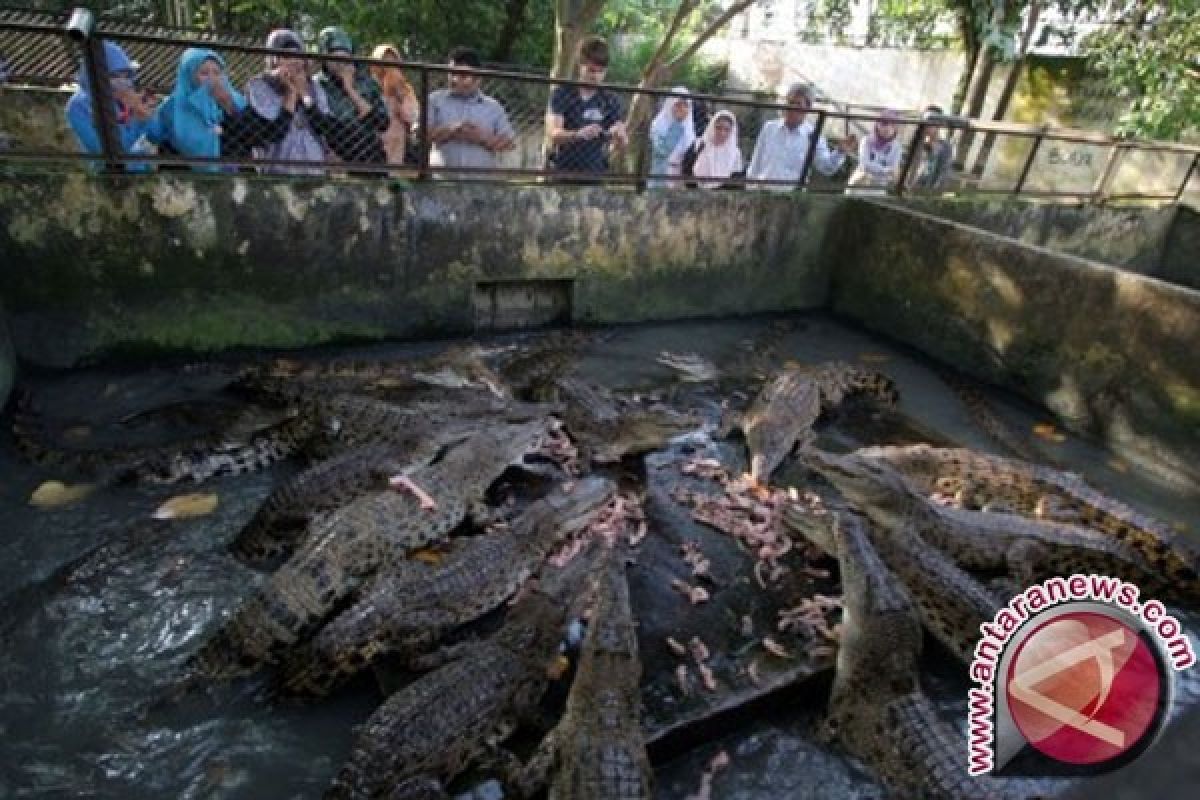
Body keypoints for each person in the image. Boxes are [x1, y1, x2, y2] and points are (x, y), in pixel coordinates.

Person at [232, 28, 333, 175]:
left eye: (298, 56)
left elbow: (325, 127)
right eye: (286, 56)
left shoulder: (315, 87)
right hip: (277, 169)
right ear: (274, 60)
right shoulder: (258, 85)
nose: (294, 61)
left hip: (314, 168)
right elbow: (274, 131)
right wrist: (291, 93)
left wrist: (304, 94)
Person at [149, 47, 247, 172]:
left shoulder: (233, 100)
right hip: (180, 175)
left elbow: (248, 134)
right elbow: (154, 136)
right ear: (189, 76)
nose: (212, 79)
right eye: (204, 73)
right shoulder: (172, 106)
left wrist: (228, 105)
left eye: (217, 73)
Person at [64, 40, 157, 171]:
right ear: (97, 75)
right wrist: (137, 120)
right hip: (106, 179)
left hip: (140, 173)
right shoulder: (78, 106)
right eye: (115, 75)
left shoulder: (123, 99)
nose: (123, 82)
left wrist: (148, 113)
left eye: (126, 75)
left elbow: (156, 134)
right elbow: (110, 152)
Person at [746, 83, 855, 191]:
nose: (792, 107)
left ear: (808, 108)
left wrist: (840, 152)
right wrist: (749, 188)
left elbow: (826, 167)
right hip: (762, 192)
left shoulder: (813, 135)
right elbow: (756, 160)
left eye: (798, 104)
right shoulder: (770, 127)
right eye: (790, 102)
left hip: (791, 197)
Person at [545, 36, 628, 176]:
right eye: (591, 70)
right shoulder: (562, 93)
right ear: (580, 65)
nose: (595, 76)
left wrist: (619, 135)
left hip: (596, 171)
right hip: (563, 170)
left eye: (601, 72)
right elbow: (553, 134)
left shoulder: (610, 100)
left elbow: (623, 143)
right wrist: (578, 134)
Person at [426, 46, 516, 175]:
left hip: (480, 183)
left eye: (463, 75)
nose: (455, 80)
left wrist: (481, 137)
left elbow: (509, 144)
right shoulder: (434, 100)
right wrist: (451, 130)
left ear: (478, 78)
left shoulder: (493, 107)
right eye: (451, 73)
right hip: (441, 182)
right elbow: (420, 136)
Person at [314, 26, 388, 165]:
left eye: (345, 59)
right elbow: (317, 124)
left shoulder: (367, 82)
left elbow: (383, 122)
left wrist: (349, 89)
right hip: (332, 156)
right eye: (335, 59)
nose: (341, 64)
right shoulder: (316, 84)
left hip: (369, 154)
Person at [370, 44, 419, 165]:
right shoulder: (368, 86)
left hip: (397, 135)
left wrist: (400, 96)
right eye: (384, 60)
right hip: (374, 134)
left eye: (392, 60)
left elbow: (413, 115)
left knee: (394, 171)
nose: (388, 65)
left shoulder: (405, 88)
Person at [648, 87, 695, 188]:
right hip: (661, 173)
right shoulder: (658, 125)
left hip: (680, 177)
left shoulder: (689, 128)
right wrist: (677, 124)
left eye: (685, 105)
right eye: (678, 105)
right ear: (670, 105)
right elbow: (662, 151)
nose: (682, 109)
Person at [847, 109, 902, 194]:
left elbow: (894, 169)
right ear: (877, 125)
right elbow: (865, 164)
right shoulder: (866, 140)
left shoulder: (897, 147)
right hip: (860, 183)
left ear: (896, 127)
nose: (888, 128)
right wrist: (885, 170)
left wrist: (885, 171)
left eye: (893, 125)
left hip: (879, 187)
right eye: (884, 124)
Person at [691, 109, 744, 189]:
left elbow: (736, 182)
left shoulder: (735, 154)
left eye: (727, 130)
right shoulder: (699, 145)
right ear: (712, 127)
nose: (722, 133)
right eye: (718, 128)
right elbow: (687, 171)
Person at [912, 105, 954, 190]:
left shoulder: (945, 147)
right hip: (910, 187)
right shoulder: (917, 142)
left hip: (927, 191)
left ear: (939, 124)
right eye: (925, 121)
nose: (927, 125)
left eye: (932, 122)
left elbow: (942, 174)